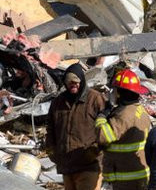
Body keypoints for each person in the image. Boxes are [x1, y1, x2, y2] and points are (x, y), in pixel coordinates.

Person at [44, 62, 108, 190]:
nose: (73, 85)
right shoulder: (58, 102)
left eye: (76, 82)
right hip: (67, 165)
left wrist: (95, 150)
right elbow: (50, 127)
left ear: (82, 81)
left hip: (89, 165)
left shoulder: (95, 99)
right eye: (69, 82)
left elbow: (106, 128)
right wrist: (51, 149)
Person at [96, 68, 152, 190]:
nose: (113, 94)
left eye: (115, 90)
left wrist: (101, 118)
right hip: (140, 174)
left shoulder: (124, 115)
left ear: (120, 93)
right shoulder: (140, 111)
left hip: (125, 178)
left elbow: (103, 137)